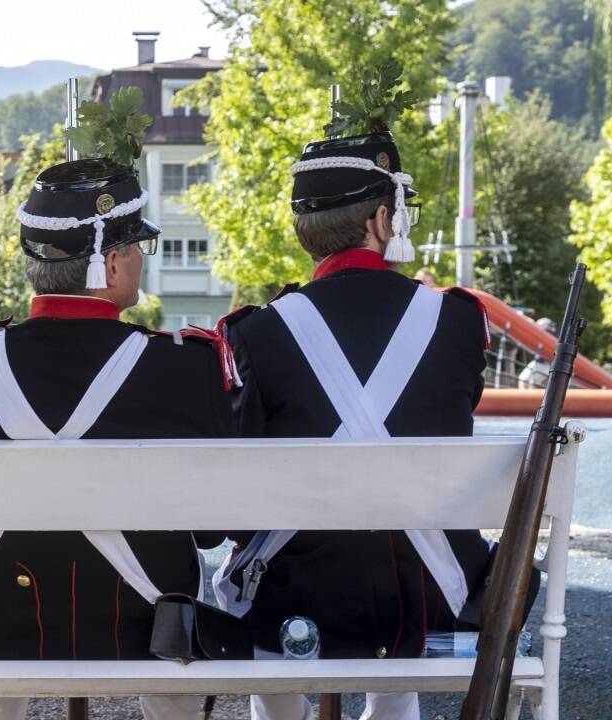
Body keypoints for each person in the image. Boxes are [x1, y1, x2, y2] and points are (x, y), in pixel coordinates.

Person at [0, 156, 236, 720]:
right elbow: (210, 532)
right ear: (111, 263)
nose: (141, 261)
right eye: (137, 249)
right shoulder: (186, 368)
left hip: (7, 626)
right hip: (146, 625)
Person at [214, 127, 494, 720]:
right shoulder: (459, 322)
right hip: (432, 600)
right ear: (382, 219)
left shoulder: (253, 333)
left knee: (248, 591)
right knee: (412, 542)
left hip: (295, 605)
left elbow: (239, 503)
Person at [518, 317, 558, 388]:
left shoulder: (546, 331)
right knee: (531, 384)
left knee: (523, 380)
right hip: (548, 363)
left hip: (542, 363)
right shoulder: (554, 334)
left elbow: (534, 325)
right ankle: (531, 398)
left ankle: (525, 398)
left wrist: (521, 316)